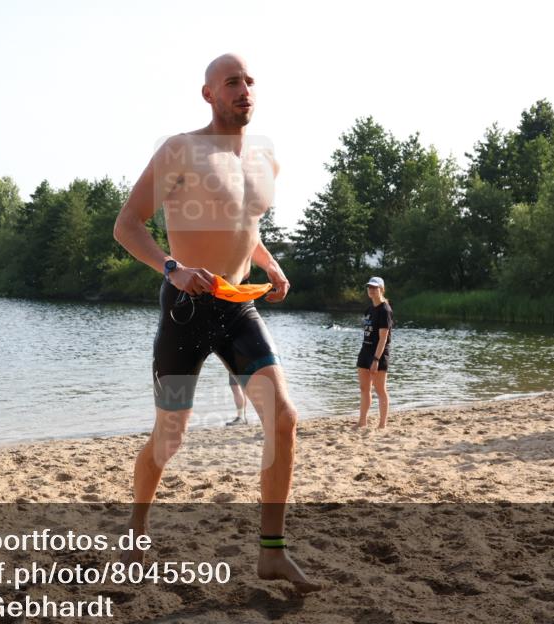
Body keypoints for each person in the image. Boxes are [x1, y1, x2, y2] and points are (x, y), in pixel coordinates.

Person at [112, 53, 320, 593]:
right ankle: (136, 526)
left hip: (237, 306)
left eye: (250, 81)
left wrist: (270, 265)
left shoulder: (266, 158)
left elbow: (244, 228)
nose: (244, 89)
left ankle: (271, 552)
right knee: (169, 437)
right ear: (208, 94)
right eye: (232, 82)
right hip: (185, 310)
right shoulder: (181, 149)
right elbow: (127, 225)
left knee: (284, 419)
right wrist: (172, 268)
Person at [356, 277, 392, 429]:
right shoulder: (369, 309)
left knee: (380, 389)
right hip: (365, 351)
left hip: (378, 354)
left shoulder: (385, 310)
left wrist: (376, 359)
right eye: (369, 287)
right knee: (364, 389)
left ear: (381, 289)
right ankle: (362, 421)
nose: (371, 290)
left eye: (375, 287)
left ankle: (382, 424)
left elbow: (383, 338)